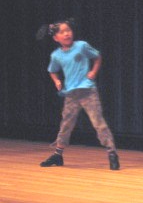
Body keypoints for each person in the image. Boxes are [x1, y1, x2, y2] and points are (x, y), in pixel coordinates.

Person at [37, 19, 120, 170]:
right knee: (66, 124)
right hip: (71, 94)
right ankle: (58, 154)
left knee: (98, 123)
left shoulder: (81, 46)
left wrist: (93, 71)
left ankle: (112, 152)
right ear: (56, 38)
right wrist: (56, 81)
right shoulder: (56, 55)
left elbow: (97, 56)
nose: (66, 34)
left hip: (88, 91)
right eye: (62, 32)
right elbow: (52, 71)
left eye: (68, 30)